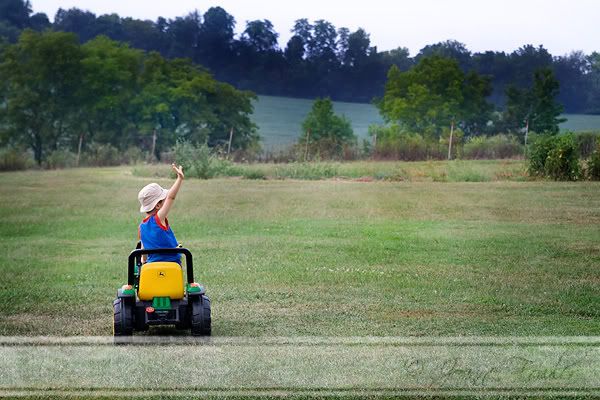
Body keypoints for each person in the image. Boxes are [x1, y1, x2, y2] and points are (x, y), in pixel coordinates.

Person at [137, 163, 185, 264]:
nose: (165, 201)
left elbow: (144, 249)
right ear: (158, 205)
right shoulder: (158, 218)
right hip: (172, 265)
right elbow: (171, 197)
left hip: (151, 267)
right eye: (163, 199)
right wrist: (179, 179)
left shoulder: (141, 227)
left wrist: (143, 260)